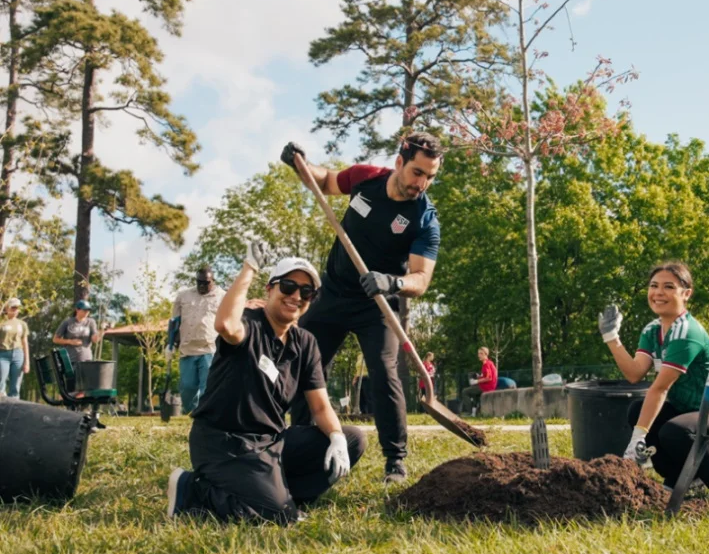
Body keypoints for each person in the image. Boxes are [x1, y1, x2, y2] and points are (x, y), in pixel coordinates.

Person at [280, 132, 442, 484]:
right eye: (417, 172)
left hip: (378, 305)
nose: (422, 183)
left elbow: (421, 278)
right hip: (334, 293)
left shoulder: (424, 219)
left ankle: (395, 461)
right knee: (304, 363)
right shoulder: (365, 178)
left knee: (384, 373)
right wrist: (300, 165)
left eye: (430, 176)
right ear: (399, 162)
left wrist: (393, 282)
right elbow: (324, 182)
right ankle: (299, 441)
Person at [166, 245, 366, 524]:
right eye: (288, 286)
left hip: (271, 441)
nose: (296, 296)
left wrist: (336, 438)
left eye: (306, 292)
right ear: (270, 289)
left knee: (354, 438)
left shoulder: (305, 343)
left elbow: (320, 407)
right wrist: (249, 267)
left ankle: (280, 494)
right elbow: (224, 324)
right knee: (277, 517)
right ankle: (192, 491)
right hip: (225, 443)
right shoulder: (250, 323)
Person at [599, 262, 709, 493]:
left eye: (669, 287)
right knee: (638, 410)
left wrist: (636, 439)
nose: (659, 293)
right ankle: (682, 477)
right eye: (654, 286)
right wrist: (611, 337)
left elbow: (660, 389)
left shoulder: (686, 332)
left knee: (675, 430)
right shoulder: (652, 330)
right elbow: (634, 373)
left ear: (686, 293)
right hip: (690, 414)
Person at [168, 266, 227, 413]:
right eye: (199, 282)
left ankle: (203, 415)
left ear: (212, 281)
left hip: (210, 348)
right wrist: (169, 344)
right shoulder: (183, 296)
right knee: (187, 388)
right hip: (187, 349)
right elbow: (174, 321)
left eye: (205, 283)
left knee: (207, 386)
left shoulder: (223, 296)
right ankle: (191, 411)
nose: (202, 285)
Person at [53, 300, 101, 381]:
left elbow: (95, 340)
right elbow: (55, 339)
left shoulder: (91, 322)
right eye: (84, 310)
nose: (87, 312)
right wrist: (70, 341)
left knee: (85, 386)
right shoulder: (68, 322)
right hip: (71, 360)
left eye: (88, 310)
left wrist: (103, 331)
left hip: (86, 360)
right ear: (77, 310)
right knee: (72, 386)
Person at [0, 298, 30, 398]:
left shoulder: (22, 324)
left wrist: (27, 362)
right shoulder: (2, 323)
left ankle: (13, 405)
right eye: (13, 307)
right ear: (7, 308)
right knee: (1, 380)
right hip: (3, 354)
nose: (15, 310)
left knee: (16, 385)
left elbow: (24, 342)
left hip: (18, 354)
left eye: (17, 308)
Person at [464, 347, 498, 416]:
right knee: (473, 391)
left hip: (486, 387)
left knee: (465, 392)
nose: (479, 355)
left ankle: (470, 412)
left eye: (481, 353)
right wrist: (479, 376)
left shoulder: (486, 364)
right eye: (478, 353)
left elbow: (489, 378)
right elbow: (486, 375)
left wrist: (477, 381)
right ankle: (475, 412)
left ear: (486, 354)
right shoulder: (490, 363)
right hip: (488, 386)